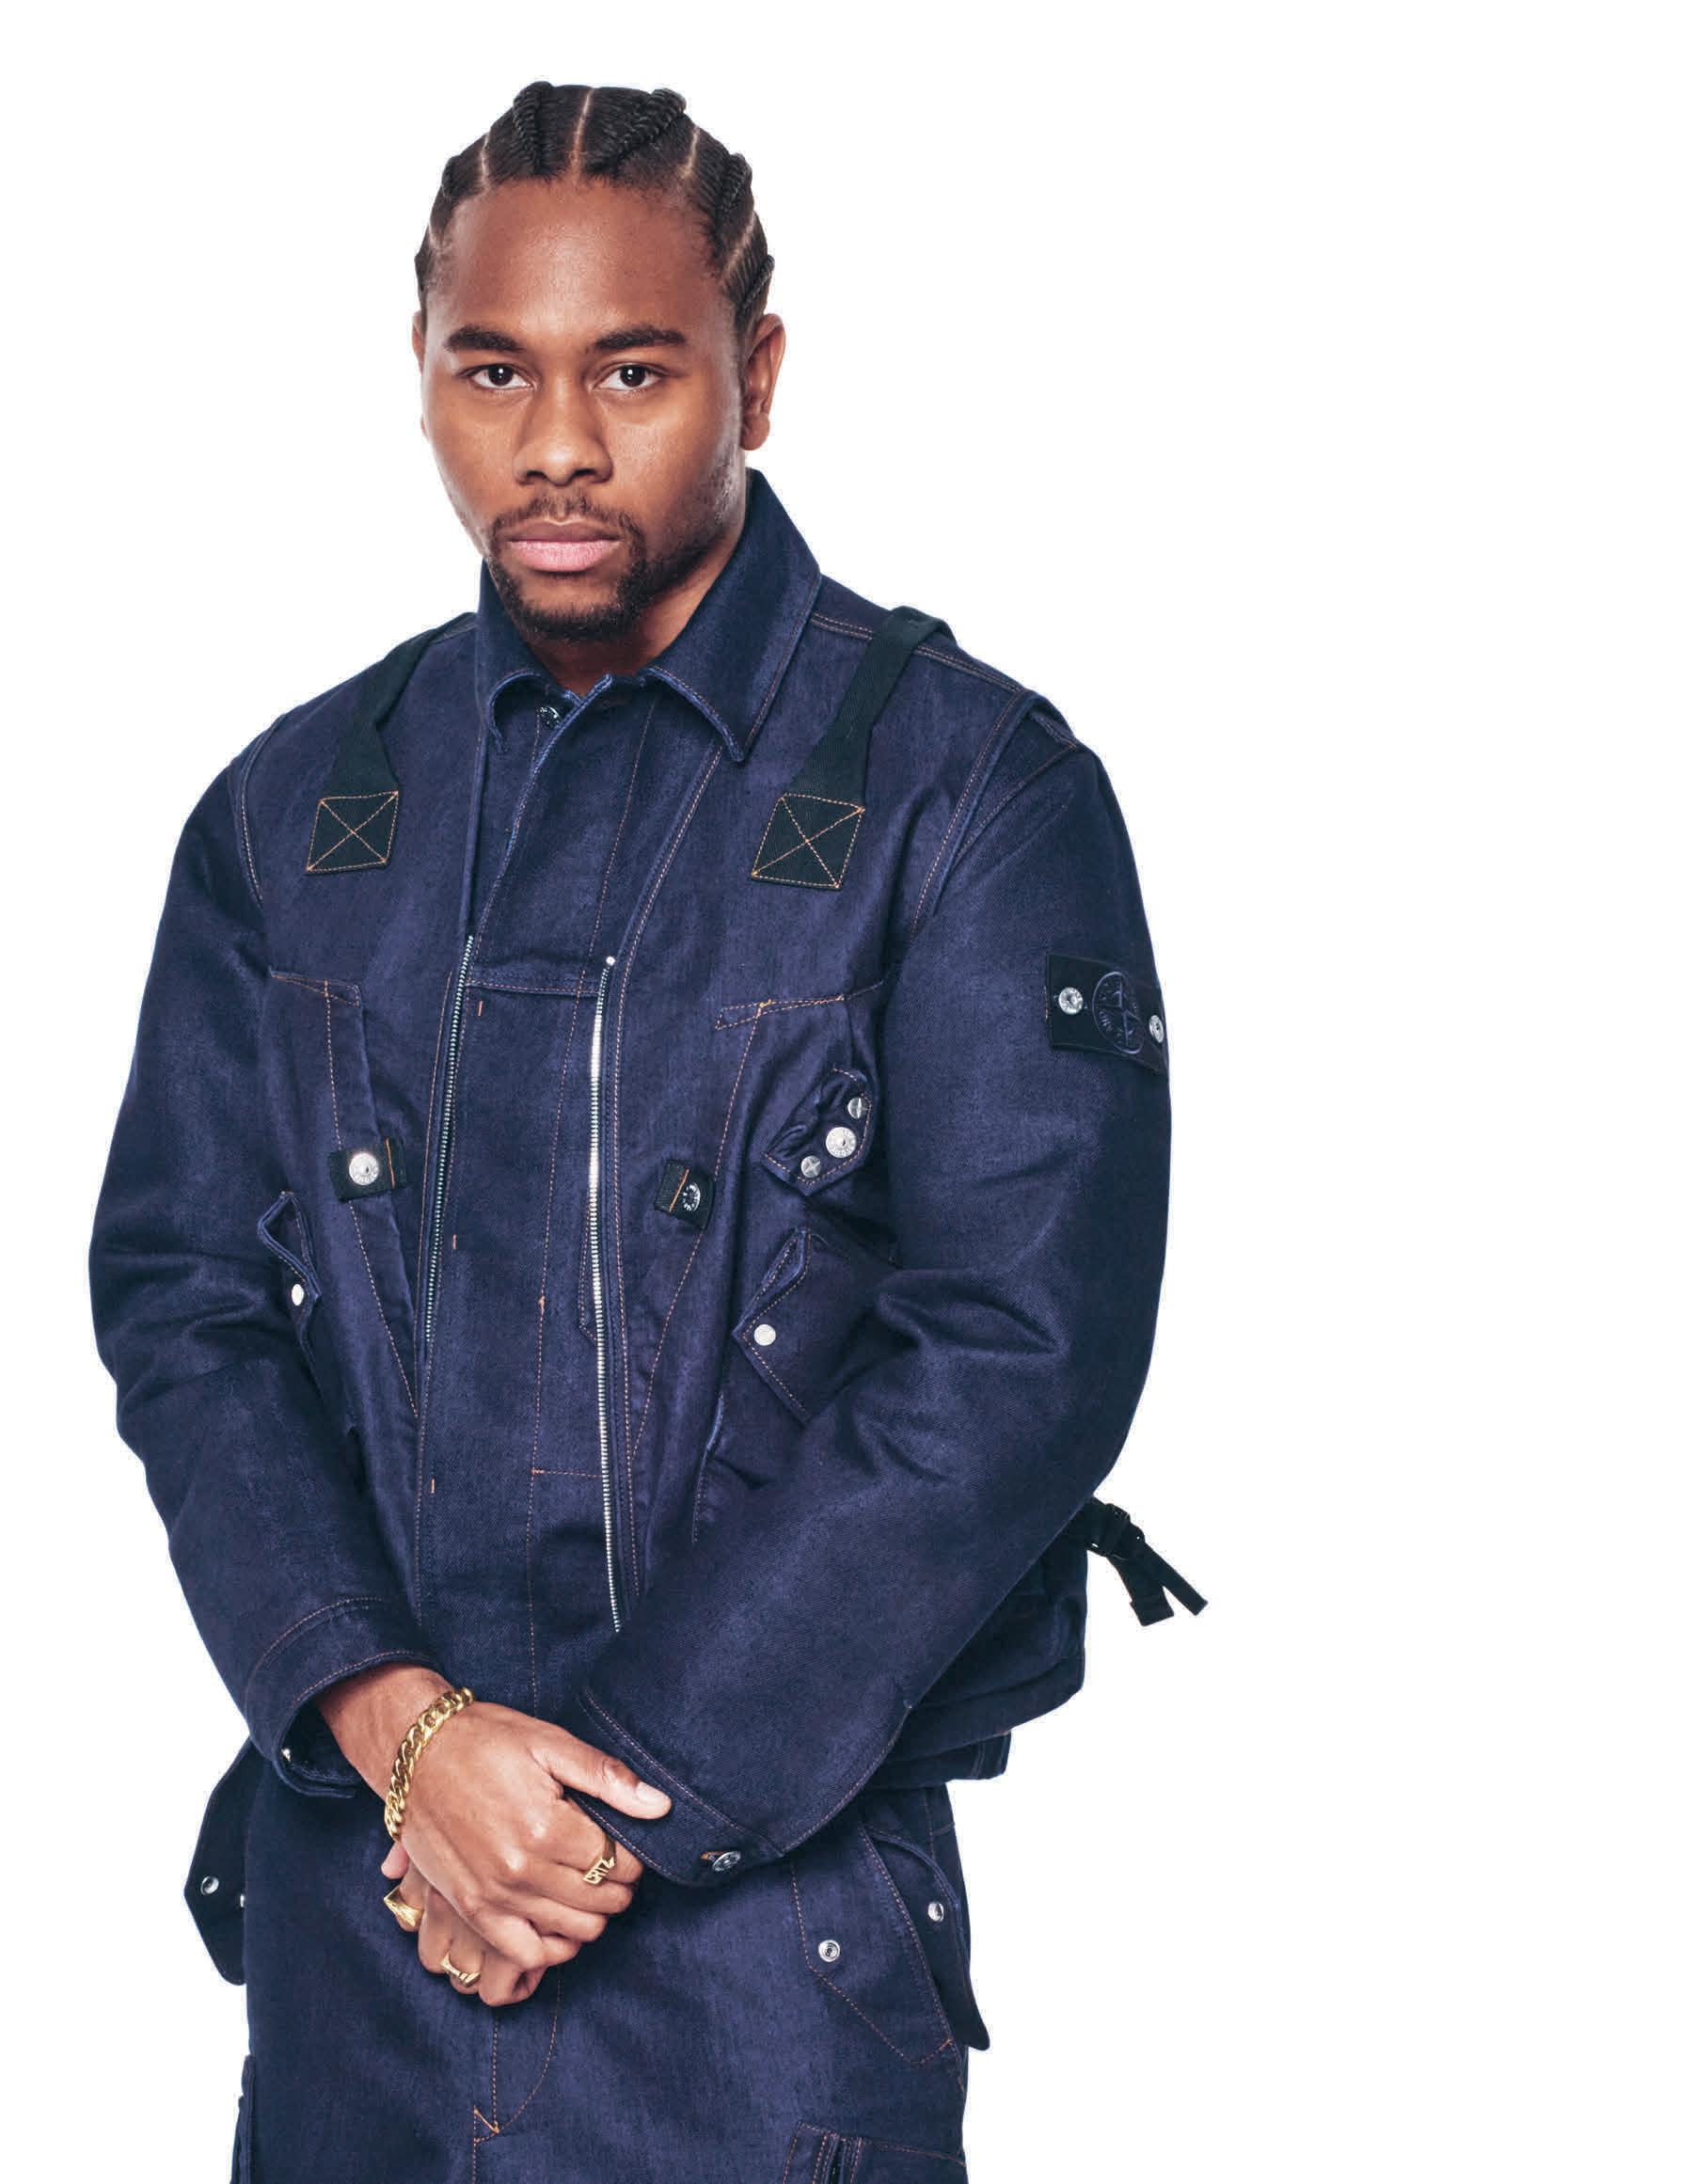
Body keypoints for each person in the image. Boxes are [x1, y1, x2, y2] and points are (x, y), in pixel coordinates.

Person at [87, 79, 1179, 2184]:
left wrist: (584, 1811)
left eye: (635, 372)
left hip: (763, 1954)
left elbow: (1014, 1355)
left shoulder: (969, 794)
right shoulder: (293, 816)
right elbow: (182, 1302)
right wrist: (399, 1731)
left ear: (755, 375)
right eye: (494, 370)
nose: (559, 445)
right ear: (421, 367)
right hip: (364, 1917)